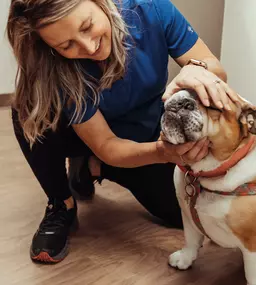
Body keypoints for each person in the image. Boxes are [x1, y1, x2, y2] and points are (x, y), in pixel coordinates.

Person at [7, 0, 238, 264]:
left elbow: (216, 68)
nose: (89, 47)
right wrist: (162, 153)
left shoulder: (151, 9)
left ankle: (93, 168)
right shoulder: (54, 65)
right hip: (95, 136)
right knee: (28, 107)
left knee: (180, 214)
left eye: (87, 26)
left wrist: (199, 70)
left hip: (140, 132)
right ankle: (61, 203)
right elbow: (106, 144)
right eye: (66, 46)